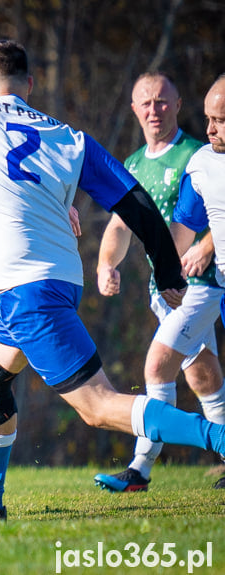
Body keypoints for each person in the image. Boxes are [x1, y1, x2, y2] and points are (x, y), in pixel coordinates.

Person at [0, 40, 225, 522]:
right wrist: (167, 269)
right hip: (55, 283)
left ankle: (218, 437)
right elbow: (137, 204)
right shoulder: (68, 136)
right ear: (29, 87)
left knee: (97, 406)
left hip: (26, 292)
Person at [94, 72, 225, 493]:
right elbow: (120, 225)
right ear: (134, 109)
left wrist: (205, 247)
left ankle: (140, 468)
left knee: (157, 365)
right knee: (203, 374)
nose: (155, 110)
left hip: (200, 285)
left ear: (178, 104)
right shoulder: (133, 164)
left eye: (163, 102)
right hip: (166, 289)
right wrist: (105, 265)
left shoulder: (196, 153)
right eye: (146, 103)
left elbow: (211, 218)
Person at [172, 74, 225, 490]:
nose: (209, 129)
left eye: (220, 120)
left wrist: (207, 245)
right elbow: (185, 226)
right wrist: (169, 276)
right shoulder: (202, 163)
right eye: (208, 118)